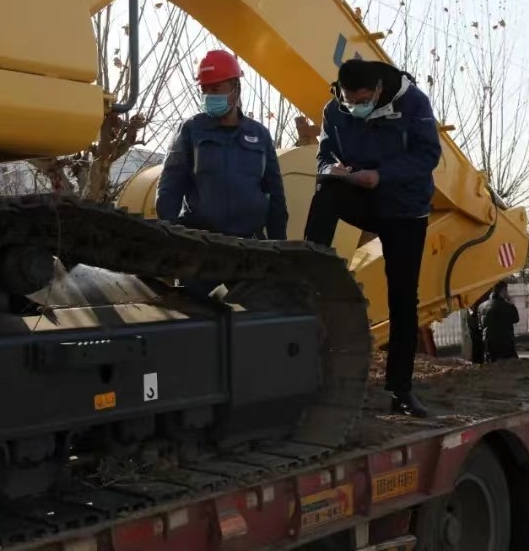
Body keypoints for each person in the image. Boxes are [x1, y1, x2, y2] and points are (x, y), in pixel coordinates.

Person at [303, 58, 442, 418]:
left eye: (362, 101)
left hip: (405, 208)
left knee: (403, 299)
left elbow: (428, 156)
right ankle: (309, 266)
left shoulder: (413, 103)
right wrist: (330, 169)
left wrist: (382, 175)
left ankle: (401, 390)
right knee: (327, 192)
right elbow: (323, 156)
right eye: (350, 101)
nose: (355, 107)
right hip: (362, 196)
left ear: (378, 90)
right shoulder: (334, 110)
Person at [156, 48, 288, 251]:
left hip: (250, 247)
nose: (209, 96)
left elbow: (276, 195)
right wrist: (172, 239)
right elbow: (169, 188)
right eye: (205, 90)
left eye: (216, 89)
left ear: (236, 88)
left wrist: (279, 248)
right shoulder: (191, 131)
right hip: (200, 245)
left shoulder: (260, 135)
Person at [479, 281, 520, 362]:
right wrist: (512, 304)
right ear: (504, 290)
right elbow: (516, 319)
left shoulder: (482, 306)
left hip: (489, 345)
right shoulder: (506, 306)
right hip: (506, 345)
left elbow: (480, 325)